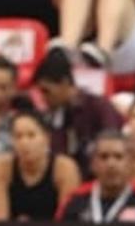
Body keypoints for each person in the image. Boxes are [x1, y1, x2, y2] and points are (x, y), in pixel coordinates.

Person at [33, 48, 125, 177]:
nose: (43, 98)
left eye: (46, 91)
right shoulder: (54, 116)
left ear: (65, 83)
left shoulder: (99, 108)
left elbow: (113, 146)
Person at [0, 109, 81, 221]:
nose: (24, 143)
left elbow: (66, 221)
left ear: (46, 138)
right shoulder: (2, 167)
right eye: (18, 136)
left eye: (31, 135)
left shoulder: (64, 168)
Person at [63, 127, 135, 222]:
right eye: (104, 157)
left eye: (118, 157)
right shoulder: (74, 202)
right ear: (92, 164)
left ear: (131, 163)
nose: (111, 164)